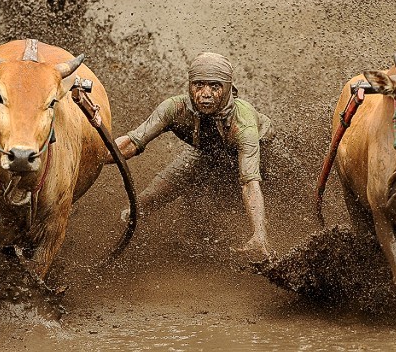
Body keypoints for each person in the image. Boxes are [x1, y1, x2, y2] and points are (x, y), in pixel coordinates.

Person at [111, 52, 274, 257]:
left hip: (262, 156)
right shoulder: (175, 108)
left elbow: (249, 183)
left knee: (270, 194)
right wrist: (94, 156)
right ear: (189, 86)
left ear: (229, 89)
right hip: (205, 153)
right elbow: (131, 143)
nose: (205, 94)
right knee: (144, 202)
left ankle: (261, 240)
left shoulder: (243, 123)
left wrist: (259, 234)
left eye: (214, 86)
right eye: (199, 85)